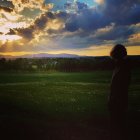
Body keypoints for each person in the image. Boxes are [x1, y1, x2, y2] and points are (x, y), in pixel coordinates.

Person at [108, 44, 131, 140]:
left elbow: (121, 86)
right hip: (116, 100)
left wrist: (113, 99)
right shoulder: (119, 66)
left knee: (120, 124)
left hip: (118, 101)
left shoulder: (123, 68)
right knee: (118, 124)